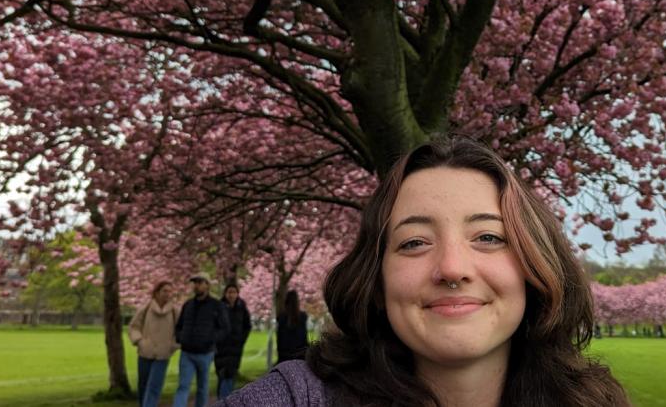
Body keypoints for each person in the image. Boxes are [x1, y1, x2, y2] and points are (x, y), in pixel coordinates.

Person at [221, 135, 629, 406]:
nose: (452, 269)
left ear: (534, 266)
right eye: (414, 242)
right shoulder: (302, 397)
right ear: (376, 282)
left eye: (488, 237)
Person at [173, 274, 229, 407]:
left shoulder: (217, 306)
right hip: (187, 353)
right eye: (194, 283)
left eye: (199, 282)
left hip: (205, 353)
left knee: (202, 387)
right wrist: (181, 337)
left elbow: (225, 328)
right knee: (183, 386)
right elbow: (179, 325)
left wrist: (210, 339)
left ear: (207, 285)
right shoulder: (188, 305)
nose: (196, 285)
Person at [128, 280, 179, 407]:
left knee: (155, 385)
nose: (167, 294)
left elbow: (181, 331)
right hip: (145, 352)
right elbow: (134, 327)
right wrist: (140, 341)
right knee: (143, 385)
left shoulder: (175, 311)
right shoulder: (145, 309)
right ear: (156, 293)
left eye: (169, 291)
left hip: (163, 354)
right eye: (164, 291)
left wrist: (173, 346)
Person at [215, 283, 253, 399]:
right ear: (225, 293)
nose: (231, 295)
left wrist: (242, 339)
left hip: (235, 347)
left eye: (234, 292)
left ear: (237, 294)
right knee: (222, 374)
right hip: (221, 347)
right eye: (229, 292)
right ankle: (222, 400)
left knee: (230, 374)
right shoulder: (219, 307)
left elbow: (247, 326)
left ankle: (224, 401)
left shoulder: (242, 308)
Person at [275, 289, 308, 363]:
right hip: (300, 356)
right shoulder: (302, 317)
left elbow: (280, 340)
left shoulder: (282, 318)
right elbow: (304, 338)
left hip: (284, 356)